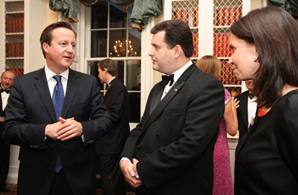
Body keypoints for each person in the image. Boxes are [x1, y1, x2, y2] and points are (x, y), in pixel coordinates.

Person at [1, 21, 112, 195]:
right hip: (35, 176)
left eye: (73, 45)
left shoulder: (88, 83)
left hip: (78, 177)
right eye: (63, 44)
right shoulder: (24, 84)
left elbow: (105, 121)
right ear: (46, 46)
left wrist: (82, 127)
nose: (70, 50)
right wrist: (44, 130)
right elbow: (9, 129)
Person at [120, 19, 225, 194]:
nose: (149, 52)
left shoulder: (207, 87)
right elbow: (141, 128)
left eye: (156, 47)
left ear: (176, 50)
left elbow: (190, 145)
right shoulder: (157, 88)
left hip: (179, 187)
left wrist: (143, 169)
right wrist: (125, 159)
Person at [228, 7, 298, 194]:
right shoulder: (269, 105)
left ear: (259, 49)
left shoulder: (293, 108)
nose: (229, 59)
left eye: (233, 49)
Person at [196, 55, 238, 195]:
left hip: (193, 148)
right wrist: (232, 107)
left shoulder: (192, 93)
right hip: (216, 148)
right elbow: (232, 130)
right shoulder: (222, 93)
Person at [96, 59, 130, 195]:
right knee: (114, 180)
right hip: (111, 143)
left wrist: (96, 119)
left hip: (112, 144)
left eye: (99, 72)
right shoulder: (112, 87)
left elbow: (114, 115)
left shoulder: (118, 87)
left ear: (105, 70)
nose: (98, 75)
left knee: (109, 180)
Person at [0, 70, 15, 193]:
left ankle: (1, 183)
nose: (7, 81)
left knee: (4, 157)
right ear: (1, 79)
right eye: (5, 78)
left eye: (10, 79)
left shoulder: (16, 95)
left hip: (6, 131)